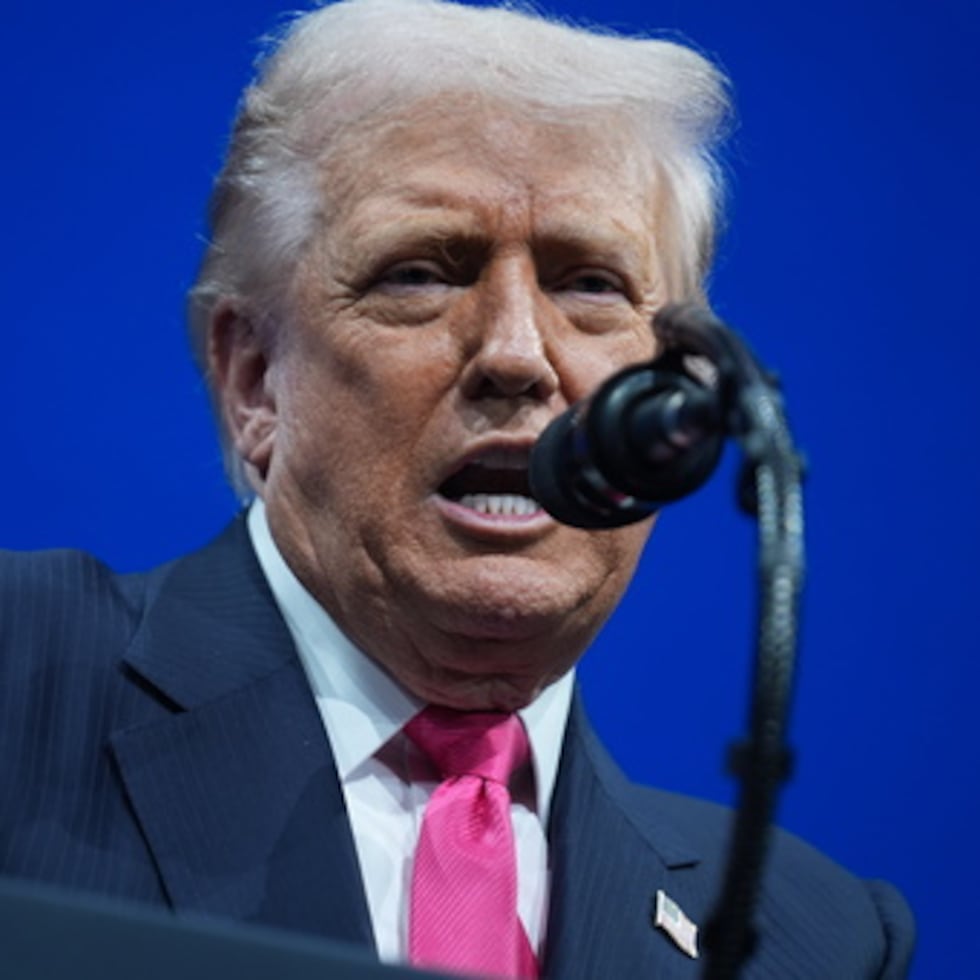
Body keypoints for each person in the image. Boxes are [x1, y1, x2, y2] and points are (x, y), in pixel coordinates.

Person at [0, 0, 914, 976]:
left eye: (590, 283)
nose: (515, 354)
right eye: (420, 274)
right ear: (255, 381)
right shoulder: (21, 680)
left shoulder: (815, 937)